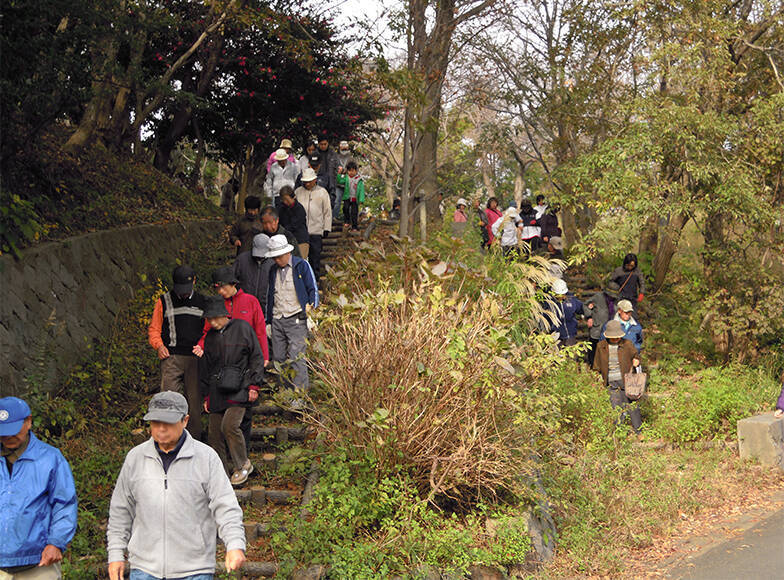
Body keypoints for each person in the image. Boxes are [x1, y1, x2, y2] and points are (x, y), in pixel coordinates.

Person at [107, 391, 247, 580]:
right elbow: (120, 510)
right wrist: (115, 554)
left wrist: (235, 544)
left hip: (195, 569)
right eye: (156, 422)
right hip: (144, 568)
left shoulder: (206, 458)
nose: (161, 428)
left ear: (185, 420)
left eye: (169, 422)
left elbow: (226, 506)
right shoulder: (136, 458)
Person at [1, 397, 77, 580]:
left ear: (28, 422)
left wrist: (56, 543)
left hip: (39, 563)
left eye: (14, 430)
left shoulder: (50, 458)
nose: (8, 437)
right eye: (3, 432)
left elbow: (65, 504)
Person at [198, 299, 265, 485]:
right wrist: (207, 395)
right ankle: (219, 471)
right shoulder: (210, 338)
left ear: (224, 315)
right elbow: (207, 367)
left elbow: (256, 357)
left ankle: (242, 465)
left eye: (214, 318)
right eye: (209, 319)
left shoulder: (242, 328)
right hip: (216, 389)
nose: (212, 323)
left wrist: (254, 385)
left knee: (229, 425)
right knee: (213, 432)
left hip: (240, 386)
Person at [147, 265, 207, 440]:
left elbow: (209, 329)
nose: (182, 293)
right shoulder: (163, 301)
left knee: (194, 403)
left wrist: (202, 345)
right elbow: (154, 329)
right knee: (168, 399)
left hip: (194, 358)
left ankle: (194, 440)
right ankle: (169, 438)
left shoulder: (203, 301)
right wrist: (159, 346)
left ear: (194, 281)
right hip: (171, 357)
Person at [266, 235, 318, 397]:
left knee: (297, 358)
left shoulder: (301, 266)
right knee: (279, 359)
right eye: (274, 257)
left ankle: (300, 396)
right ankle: (285, 395)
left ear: (287, 253)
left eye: (279, 256)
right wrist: (268, 321)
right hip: (277, 318)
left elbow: (313, 290)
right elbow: (269, 295)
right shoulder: (273, 270)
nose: (277, 260)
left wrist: (312, 315)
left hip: (297, 318)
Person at [592, 319, 643, 435]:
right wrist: (596, 379)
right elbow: (596, 365)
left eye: (618, 336)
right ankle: (619, 434)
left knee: (632, 406)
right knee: (616, 408)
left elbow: (637, 356)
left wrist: (636, 361)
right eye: (613, 337)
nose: (616, 339)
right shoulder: (601, 346)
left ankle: (639, 432)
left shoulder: (627, 344)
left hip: (627, 380)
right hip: (611, 381)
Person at [295, 167, 332, 284]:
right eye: (305, 182)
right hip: (301, 231)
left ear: (315, 180)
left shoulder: (322, 192)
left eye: (310, 181)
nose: (308, 184)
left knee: (315, 256)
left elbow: (327, 211)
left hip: (316, 230)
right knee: (301, 257)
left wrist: (326, 228)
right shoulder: (298, 192)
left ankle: (315, 280)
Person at [234, 234, 274, 317]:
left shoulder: (273, 262)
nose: (259, 257)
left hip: (265, 309)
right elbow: (232, 281)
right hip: (243, 307)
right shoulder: (242, 259)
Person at [585, 281, 620, 367]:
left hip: (609, 330)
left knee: (605, 349)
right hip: (597, 328)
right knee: (593, 348)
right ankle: (591, 365)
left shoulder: (616, 301)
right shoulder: (598, 297)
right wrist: (589, 317)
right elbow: (586, 305)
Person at [546, 279, 584, 347]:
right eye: (558, 295)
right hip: (555, 335)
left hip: (570, 334)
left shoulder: (572, 300)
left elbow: (581, 308)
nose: (560, 296)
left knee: (570, 354)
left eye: (562, 294)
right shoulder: (549, 304)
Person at [277, 186, 309, 259]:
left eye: (287, 200)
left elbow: (295, 225)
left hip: (300, 240)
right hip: (286, 240)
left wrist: (284, 230)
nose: (285, 202)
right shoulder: (281, 209)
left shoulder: (299, 208)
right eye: (283, 200)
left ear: (293, 197)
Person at [336, 160, 365, 232]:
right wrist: (339, 174)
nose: (351, 172)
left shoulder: (359, 180)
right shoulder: (346, 177)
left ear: (356, 171)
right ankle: (347, 221)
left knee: (354, 213)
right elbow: (339, 181)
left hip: (355, 199)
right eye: (349, 171)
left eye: (353, 171)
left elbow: (361, 190)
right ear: (347, 171)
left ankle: (354, 226)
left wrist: (361, 200)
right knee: (345, 209)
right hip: (347, 197)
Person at [316, 138, 340, 218]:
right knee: (319, 200)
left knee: (332, 199)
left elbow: (338, 165)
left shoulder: (333, 154)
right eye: (321, 144)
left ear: (328, 144)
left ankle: (330, 218)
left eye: (325, 144)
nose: (323, 146)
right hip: (319, 180)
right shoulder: (315, 153)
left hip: (331, 180)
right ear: (319, 144)